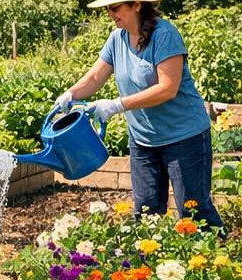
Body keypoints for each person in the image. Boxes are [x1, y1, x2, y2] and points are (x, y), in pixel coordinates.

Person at [55, 0, 224, 230]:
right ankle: (151, 266)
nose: (109, 13)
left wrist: (117, 104)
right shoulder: (117, 38)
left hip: (185, 138)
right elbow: (95, 78)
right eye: (107, 8)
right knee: (145, 215)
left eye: (115, 7)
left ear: (136, 5)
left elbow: (168, 88)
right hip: (143, 141)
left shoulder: (165, 35)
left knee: (195, 213)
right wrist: (70, 94)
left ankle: (221, 263)